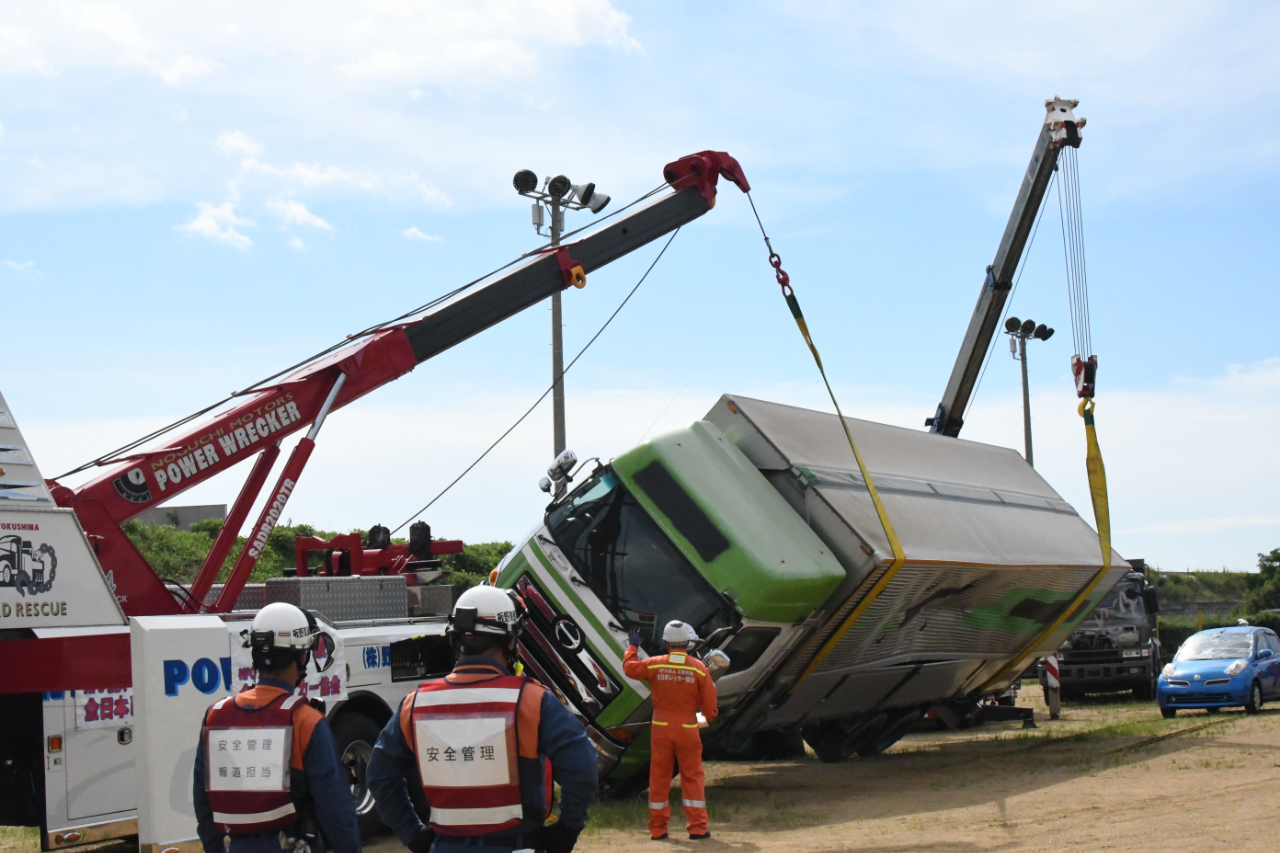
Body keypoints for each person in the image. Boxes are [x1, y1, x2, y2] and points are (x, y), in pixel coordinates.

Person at [366, 586, 597, 853]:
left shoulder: (415, 704)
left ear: (453, 640)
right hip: (517, 846)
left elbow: (379, 775)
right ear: (510, 641)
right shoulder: (532, 702)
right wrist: (568, 828)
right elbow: (583, 768)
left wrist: (412, 833)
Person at [193, 602, 360, 853]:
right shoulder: (306, 721)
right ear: (302, 656)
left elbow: (203, 801)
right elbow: (335, 810)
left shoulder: (216, 716)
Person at [623, 621, 718, 841]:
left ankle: (658, 829)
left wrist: (632, 647)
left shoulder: (655, 665)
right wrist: (709, 716)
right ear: (687, 643)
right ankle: (697, 828)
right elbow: (710, 705)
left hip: (661, 729)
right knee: (692, 777)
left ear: (667, 644)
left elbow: (630, 668)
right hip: (687, 728)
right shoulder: (698, 668)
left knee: (659, 778)